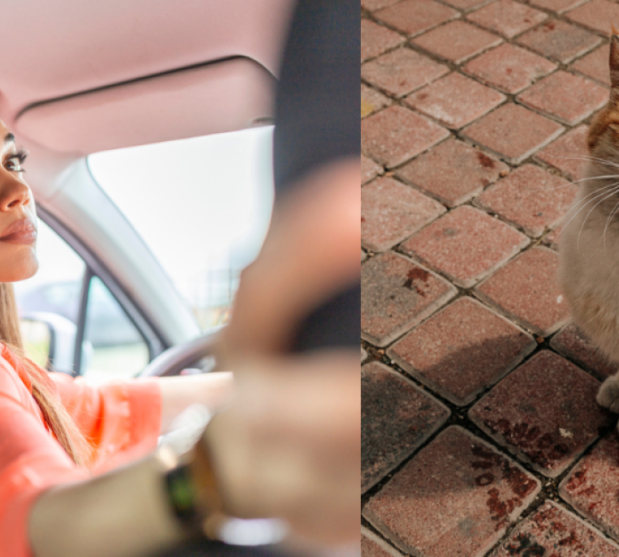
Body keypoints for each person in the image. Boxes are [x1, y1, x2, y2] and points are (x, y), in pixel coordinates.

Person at [0, 120, 360, 557]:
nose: (17, 189)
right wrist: (213, 470)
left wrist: (280, 390)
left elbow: (104, 405)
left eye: (13, 162)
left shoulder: (14, 371)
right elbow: (40, 527)